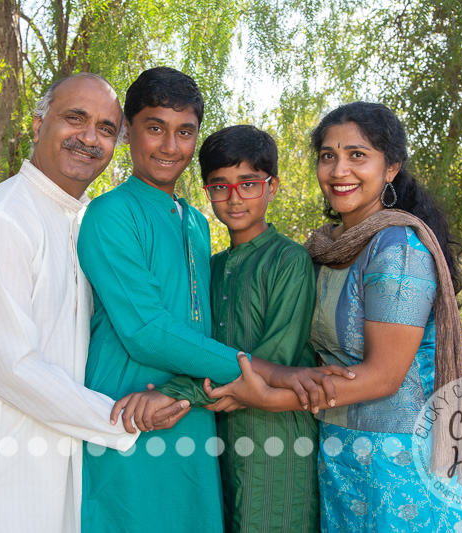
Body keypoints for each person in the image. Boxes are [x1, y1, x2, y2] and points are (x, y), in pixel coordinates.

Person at [77, 68, 346, 533]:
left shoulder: (198, 225)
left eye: (184, 132)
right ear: (127, 129)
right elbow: (146, 331)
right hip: (134, 412)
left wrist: (205, 390)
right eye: (154, 127)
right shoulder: (109, 213)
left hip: (200, 418)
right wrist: (272, 372)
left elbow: (202, 326)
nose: (169, 146)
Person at [0, 73, 188, 533]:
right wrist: (122, 420)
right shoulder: (0, 219)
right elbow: (12, 367)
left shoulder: (86, 221)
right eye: (75, 118)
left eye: (106, 129)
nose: (90, 138)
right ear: (37, 125)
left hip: (69, 460)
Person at [206, 102, 462, 532]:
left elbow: (383, 377)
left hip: (398, 461)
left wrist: (270, 398)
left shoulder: (398, 248)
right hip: (337, 449)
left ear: (391, 168)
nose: (339, 169)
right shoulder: (328, 250)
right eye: (328, 156)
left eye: (357, 155)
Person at [151, 124, 323, 532]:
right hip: (220, 431)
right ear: (207, 191)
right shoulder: (210, 268)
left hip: (277, 434)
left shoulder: (290, 261)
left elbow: (275, 359)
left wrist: (176, 394)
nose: (234, 198)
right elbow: (195, 346)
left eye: (248, 184)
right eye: (219, 186)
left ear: (272, 186)